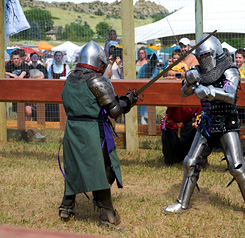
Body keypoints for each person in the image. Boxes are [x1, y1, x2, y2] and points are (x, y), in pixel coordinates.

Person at [163, 34, 245, 217]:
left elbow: (230, 94)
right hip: (207, 121)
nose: (203, 60)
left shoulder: (229, 69)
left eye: (206, 56)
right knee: (190, 162)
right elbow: (184, 93)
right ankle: (182, 203)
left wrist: (209, 91)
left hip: (226, 121)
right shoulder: (199, 70)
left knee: (237, 165)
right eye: (201, 57)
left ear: (214, 53)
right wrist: (190, 81)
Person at [58, 40, 138, 226]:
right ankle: (107, 214)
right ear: (99, 63)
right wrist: (128, 101)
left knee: (74, 166)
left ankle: (66, 207)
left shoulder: (70, 78)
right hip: (92, 131)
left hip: (72, 129)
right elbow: (114, 111)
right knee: (101, 169)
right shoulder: (97, 80)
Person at [160, 49, 201, 165]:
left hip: (188, 124)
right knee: (170, 159)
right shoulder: (169, 81)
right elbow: (166, 75)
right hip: (173, 123)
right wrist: (169, 70)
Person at [5, 50, 45, 140]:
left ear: (20, 59)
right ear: (11, 59)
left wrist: (13, 77)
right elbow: (3, 72)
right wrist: (10, 74)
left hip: (25, 92)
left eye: (17, 58)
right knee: (20, 113)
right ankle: (22, 133)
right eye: (14, 58)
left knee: (28, 111)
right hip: (15, 93)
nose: (16, 60)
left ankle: (29, 130)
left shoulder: (24, 66)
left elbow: (20, 78)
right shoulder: (8, 66)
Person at [136, 53, 160, 124]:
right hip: (147, 91)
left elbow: (138, 78)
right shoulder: (154, 69)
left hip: (144, 90)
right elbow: (151, 80)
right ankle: (148, 122)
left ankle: (149, 122)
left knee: (146, 109)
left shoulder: (150, 68)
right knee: (146, 109)